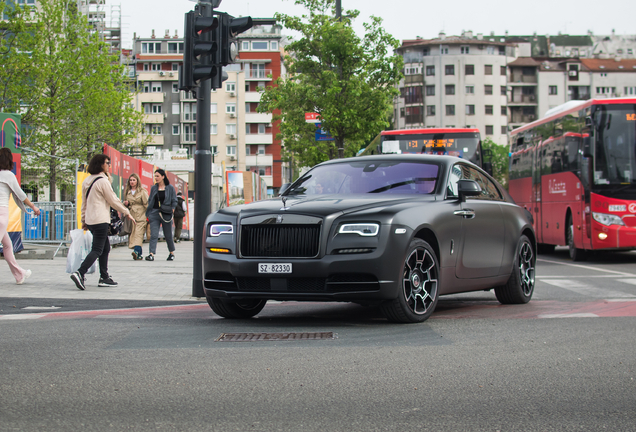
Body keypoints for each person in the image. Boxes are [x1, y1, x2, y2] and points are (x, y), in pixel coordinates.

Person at [70, 154, 135, 290]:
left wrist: (83, 219)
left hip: (91, 220)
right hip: (100, 220)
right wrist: (127, 212)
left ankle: (104, 277)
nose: (109, 165)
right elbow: (113, 200)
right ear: (100, 164)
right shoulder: (103, 181)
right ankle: (80, 272)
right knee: (98, 249)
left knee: (105, 248)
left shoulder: (87, 180)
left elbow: (84, 203)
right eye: (107, 162)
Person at [0, 148, 41, 285]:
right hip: (1, 213)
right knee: (7, 245)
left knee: (7, 245)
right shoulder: (8, 175)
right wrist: (33, 207)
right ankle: (19, 274)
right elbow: (21, 195)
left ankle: (19, 274)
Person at [145, 168, 177, 261]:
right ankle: (151, 254)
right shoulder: (154, 188)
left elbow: (174, 200)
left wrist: (173, 210)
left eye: (158, 176)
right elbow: (150, 200)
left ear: (163, 177)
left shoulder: (170, 188)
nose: (156, 178)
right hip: (154, 213)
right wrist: (149, 213)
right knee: (154, 234)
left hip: (166, 213)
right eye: (155, 176)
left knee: (168, 235)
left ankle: (171, 253)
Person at [122, 173, 148, 260]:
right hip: (131, 216)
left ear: (137, 181)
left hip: (141, 216)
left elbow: (147, 204)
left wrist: (149, 215)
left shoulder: (142, 191)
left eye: (134, 180)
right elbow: (125, 203)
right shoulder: (128, 192)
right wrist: (127, 204)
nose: (132, 182)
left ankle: (136, 251)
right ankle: (139, 254)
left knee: (138, 234)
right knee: (133, 235)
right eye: (131, 180)